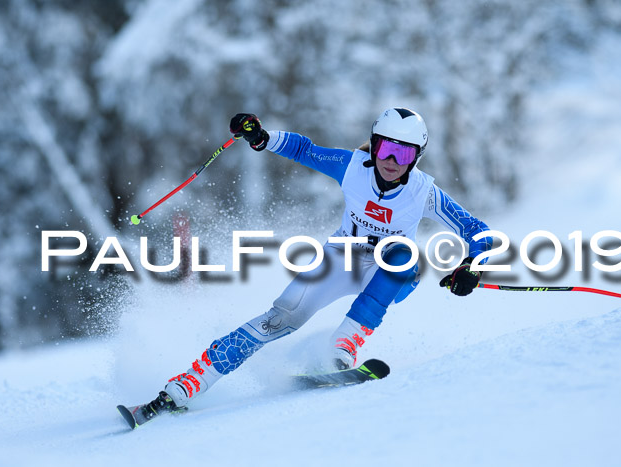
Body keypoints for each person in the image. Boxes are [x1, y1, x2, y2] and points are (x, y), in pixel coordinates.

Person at [135, 108, 491, 419]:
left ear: (416, 158)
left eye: (403, 152)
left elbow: (478, 230)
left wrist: (471, 267)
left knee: (403, 255)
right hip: (341, 259)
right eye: (385, 147)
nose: (391, 160)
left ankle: (343, 347)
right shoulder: (352, 167)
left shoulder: (423, 192)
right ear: (374, 144)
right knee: (278, 318)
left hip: (390, 272)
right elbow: (305, 150)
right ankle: (188, 384)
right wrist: (262, 137)